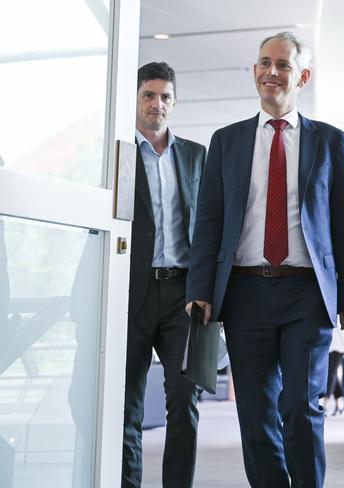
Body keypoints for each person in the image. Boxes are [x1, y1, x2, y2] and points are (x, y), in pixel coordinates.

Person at [186, 32, 344, 488]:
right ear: (254, 72)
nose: (272, 71)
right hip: (245, 292)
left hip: (308, 291)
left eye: (283, 64)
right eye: (264, 63)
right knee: (256, 410)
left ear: (301, 75)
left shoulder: (330, 141)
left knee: (301, 407)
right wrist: (200, 292)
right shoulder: (226, 141)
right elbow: (208, 221)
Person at [122, 62, 206, 488]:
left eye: (165, 96)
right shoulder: (118, 152)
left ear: (175, 102)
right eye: (149, 95)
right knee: (126, 410)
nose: (157, 104)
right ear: (136, 99)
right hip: (132, 295)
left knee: (184, 403)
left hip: (182, 296)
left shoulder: (194, 155)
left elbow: (209, 227)